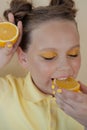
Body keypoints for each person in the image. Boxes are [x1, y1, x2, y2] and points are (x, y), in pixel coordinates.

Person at [0, 0, 87, 130]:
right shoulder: (5, 93)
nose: (66, 67)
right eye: (49, 57)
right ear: (24, 59)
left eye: (74, 54)